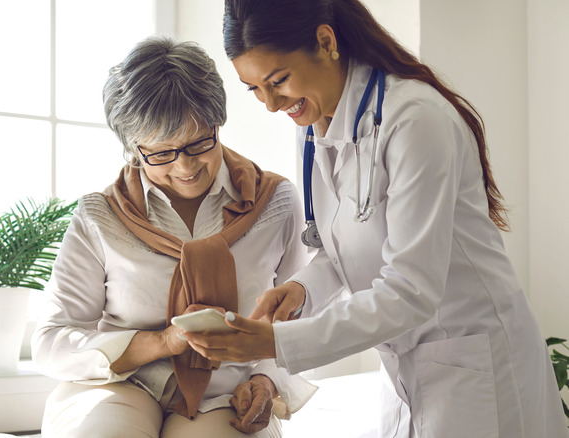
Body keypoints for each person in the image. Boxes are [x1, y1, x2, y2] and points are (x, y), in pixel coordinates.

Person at [183, 1, 569, 437]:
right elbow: (340, 249)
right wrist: (300, 290)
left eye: (279, 81)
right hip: (405, 365)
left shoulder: (414, 119)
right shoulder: (312, 127)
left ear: (326, 41)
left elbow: (410, 291)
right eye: (254, 89)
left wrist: (275, 343)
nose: (271, 105)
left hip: (475, 359)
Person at [31, 36, 316, 438]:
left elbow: (300, 321)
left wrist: (266, 381)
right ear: (132, 148)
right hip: (119, 383)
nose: (185, 167)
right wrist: (162, 343)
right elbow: (51, 340)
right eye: (162, 153)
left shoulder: (277, 202)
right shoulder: (100, 215)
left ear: (218, 123)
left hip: (226, 393)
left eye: (199, 142)